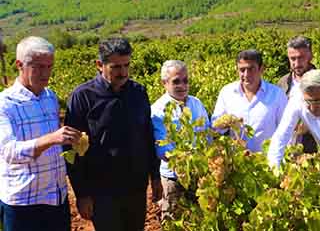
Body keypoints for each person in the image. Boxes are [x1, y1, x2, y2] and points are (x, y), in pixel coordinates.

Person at [64, 38, 162, 231]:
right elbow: (71, 149)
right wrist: (82, 194)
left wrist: (155, 175)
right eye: (116, 67)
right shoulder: (83, 97)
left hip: (136, 187)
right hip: (102, 192)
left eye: (127, 65)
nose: (123, 72)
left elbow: (147, 136)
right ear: (99, 65)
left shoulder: (138, 92)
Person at [0, 37, 80, 231]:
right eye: (38, 67)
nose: (46, 73)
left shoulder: (50, 97)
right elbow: (9, 153)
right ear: (20, 65)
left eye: (49, 66)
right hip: (23, 205)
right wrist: (52, 138)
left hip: (56, 199)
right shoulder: (5, 104)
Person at [152, 60, 210, 220]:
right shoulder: (158, 110)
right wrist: (187, 164)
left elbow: (208, 134)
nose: (182, 85)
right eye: (176, 81)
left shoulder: (196, 103)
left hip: (200, 175)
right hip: (174, 178)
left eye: (185, 80)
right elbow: (162, 150)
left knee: (200, 218)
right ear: (164, 83)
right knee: (174, 219)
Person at [212, 49, 287, 152]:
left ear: (261, 69)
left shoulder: (277, 94)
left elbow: (285, 129)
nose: (246, 74)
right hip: (237, 161)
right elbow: (216, 126)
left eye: (251, 69)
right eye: (242, 70)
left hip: (267, 162)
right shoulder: (227, 92)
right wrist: (226, 123)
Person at [277, 35, 320, 153]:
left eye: (301, 58)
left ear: (310, 56)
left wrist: (309, 125)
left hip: (316, 152)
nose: (297, 63)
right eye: (292, 59)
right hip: (287, 152)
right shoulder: (282, 83)